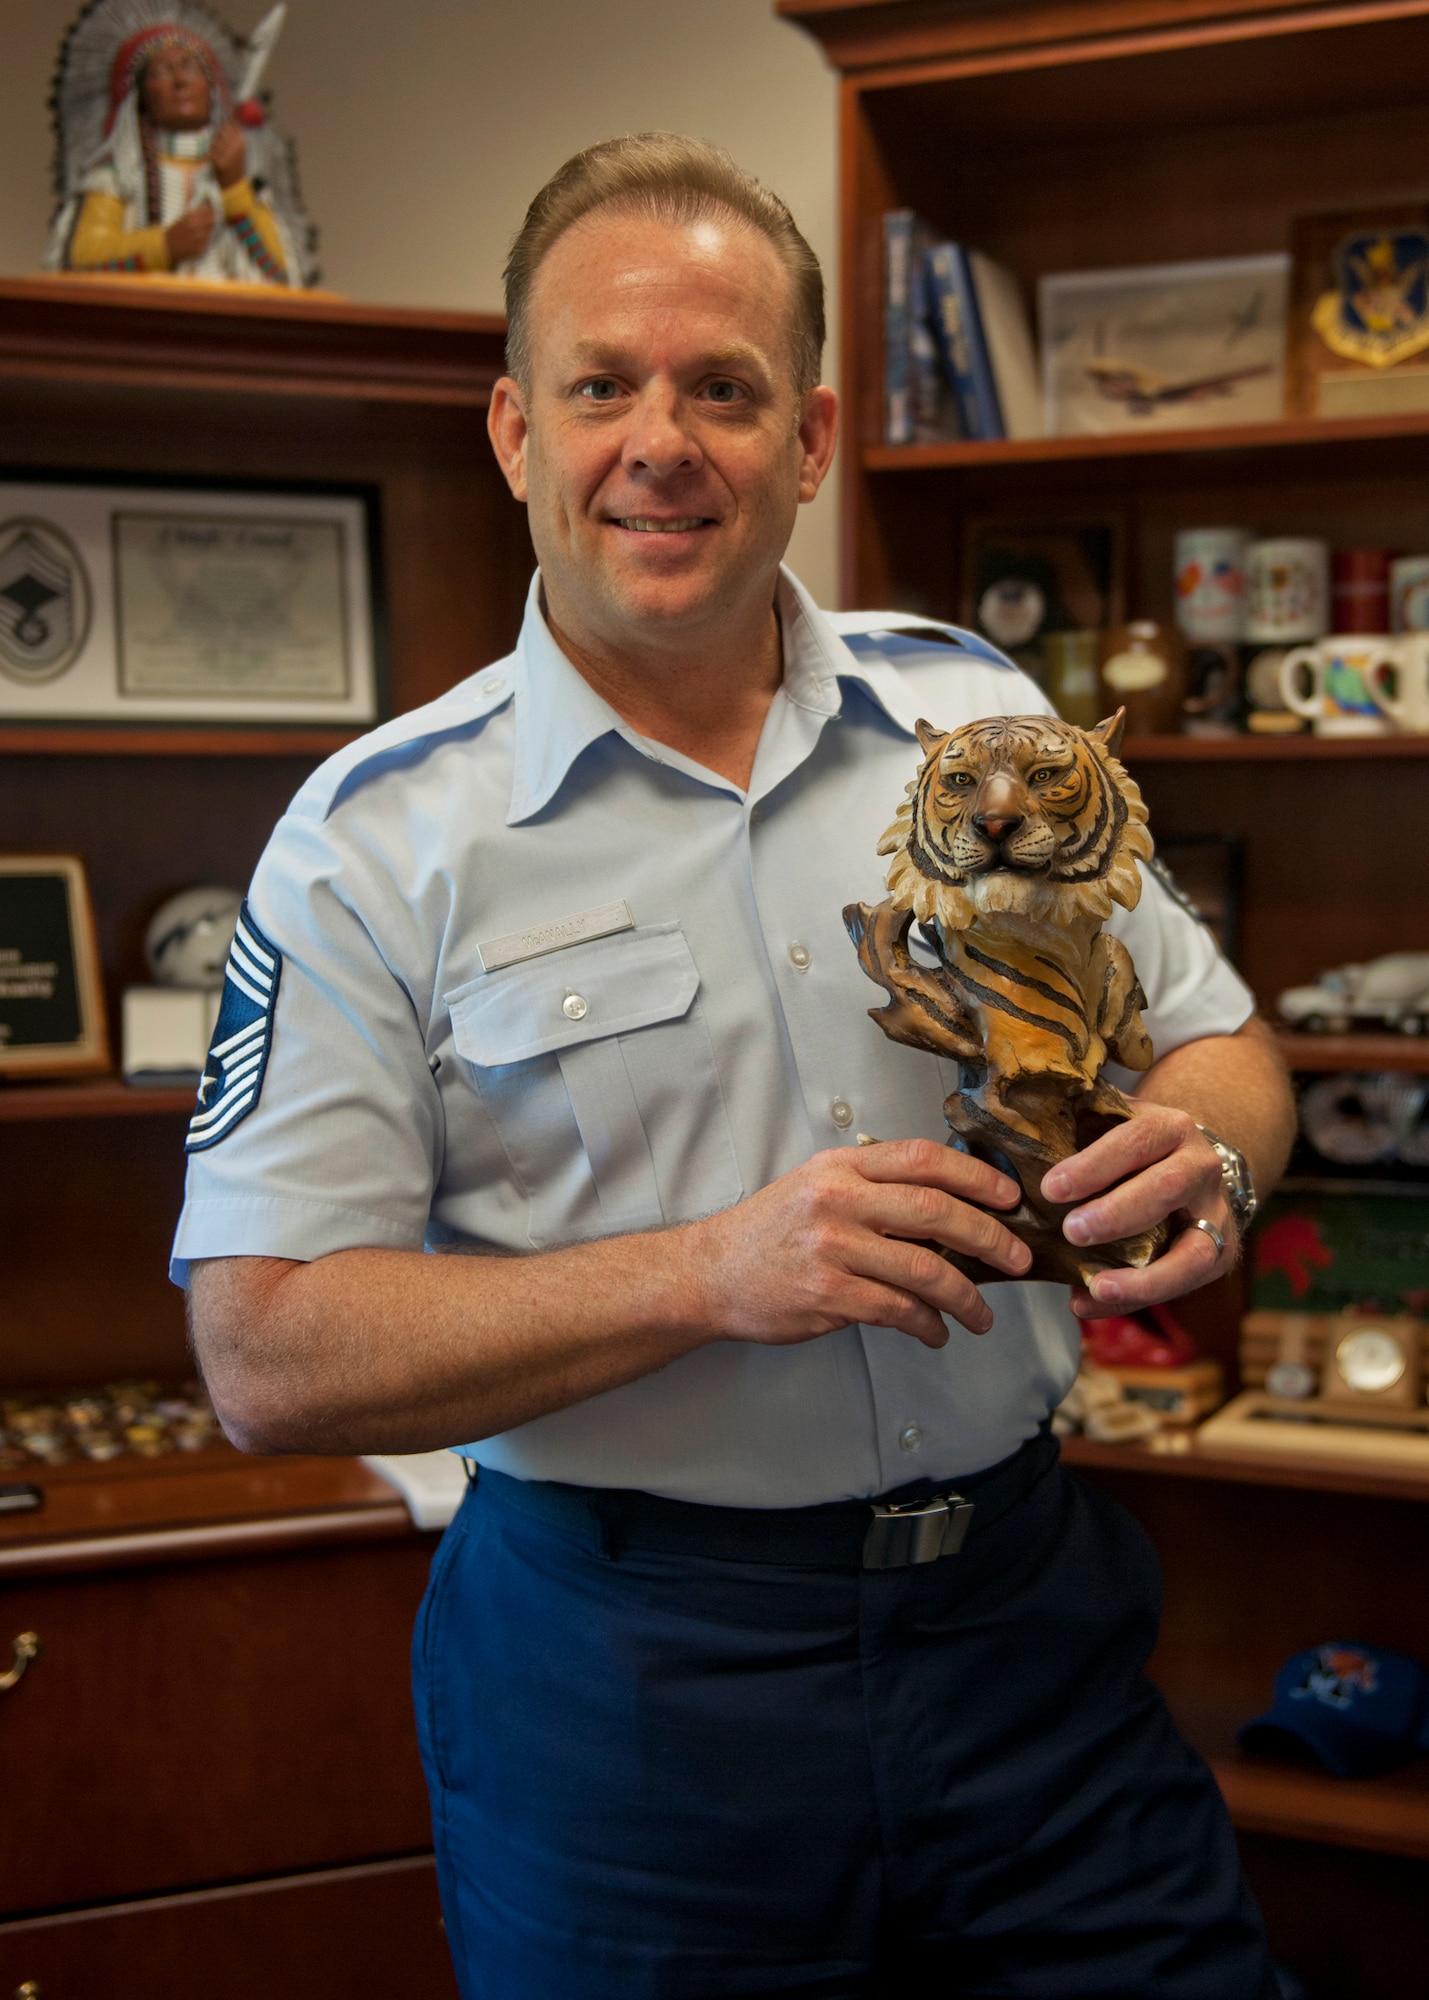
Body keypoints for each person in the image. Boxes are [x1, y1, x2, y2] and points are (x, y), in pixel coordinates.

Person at [178, 134, 1296, 1998]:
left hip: (1026, 1630)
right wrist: (712, 1272)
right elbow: (265, 1351)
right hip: (631, 1690)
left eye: (722, 387)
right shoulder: (374, 839)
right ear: (514, 432)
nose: (659, 440)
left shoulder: (980, 718)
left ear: (812, 436)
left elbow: (1225, 1046)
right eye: (598, 385)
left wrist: (1205, 1155)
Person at [45, 9, 309, 285]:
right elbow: (81, 261)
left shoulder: (238, 175)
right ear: (141, 98)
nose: (180, 82)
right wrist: (163, 245)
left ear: (212, 91)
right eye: (161, 71)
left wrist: (234, 190)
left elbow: (281, 276)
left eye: (191, 68)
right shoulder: (117, 174)